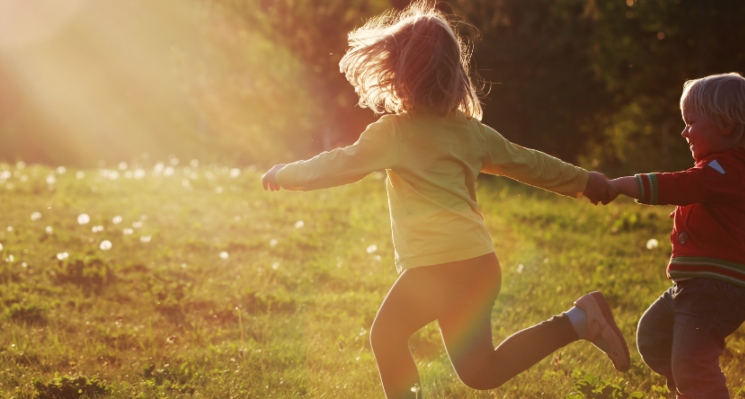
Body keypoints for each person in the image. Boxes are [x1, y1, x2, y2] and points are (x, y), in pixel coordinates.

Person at [260, 2, 628, 397]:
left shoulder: (395, 133)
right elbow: (531, 164)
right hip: (478, 266)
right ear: (453, 74)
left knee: (386, 337)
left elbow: (338, 166)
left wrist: (284, 173)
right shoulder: (471, 133)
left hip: (440, 269)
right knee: (481, 372)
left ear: (397, 74)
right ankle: (578, 321)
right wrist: (587, 181)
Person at [606, 72, 745, 398]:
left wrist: (619, 185)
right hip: (699, 285)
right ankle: (693, 385)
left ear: (725, 125)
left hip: (713, 288)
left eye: (691, 122)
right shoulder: (726, 171)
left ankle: (696, 382)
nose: (684, 131)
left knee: (691, 365)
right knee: (654, 336)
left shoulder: (724, 169)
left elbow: (680, 185)